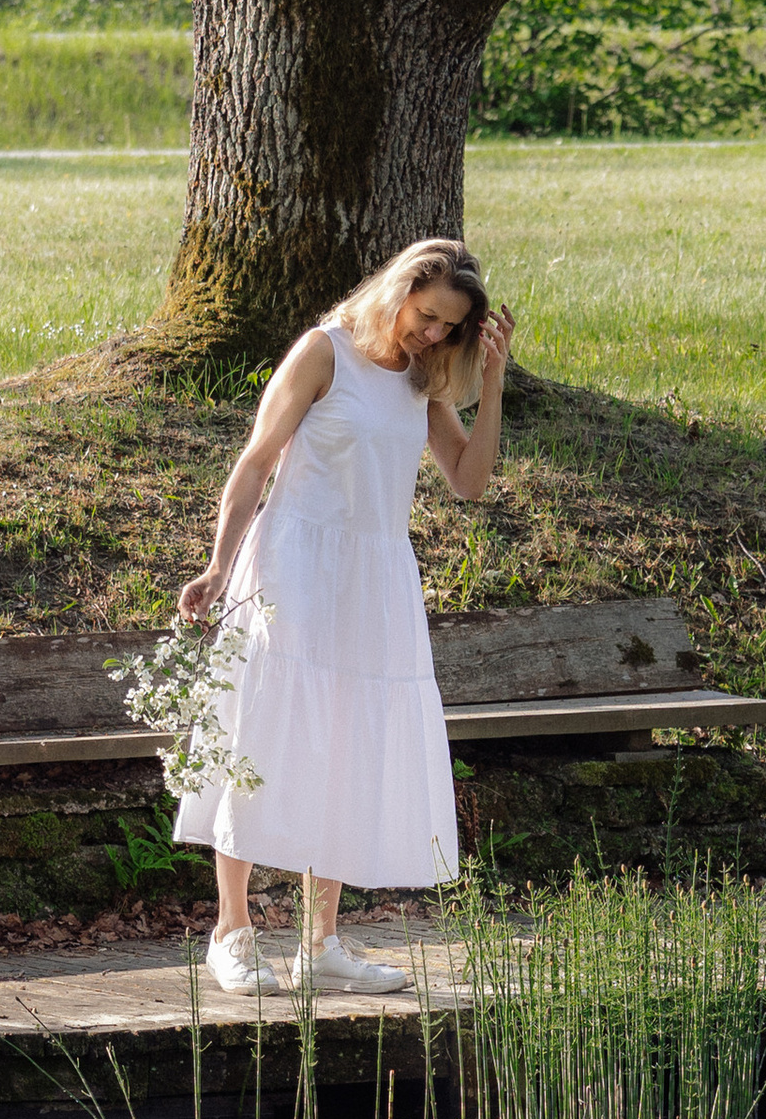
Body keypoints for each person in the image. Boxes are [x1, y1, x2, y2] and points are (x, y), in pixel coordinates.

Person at [174, 236, 516, 996]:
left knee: (344, 746)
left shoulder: (424, 382)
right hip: (295, 562)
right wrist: (219, 565)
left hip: (375, 575)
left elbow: (469, 481)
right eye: (425, 316)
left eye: (448, 329)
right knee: (264, 734)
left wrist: (488, 383)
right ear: (396, 292)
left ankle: (320, 941)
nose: (432, 335)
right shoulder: (323, 353)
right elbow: (256, 462)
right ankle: (231, 932)